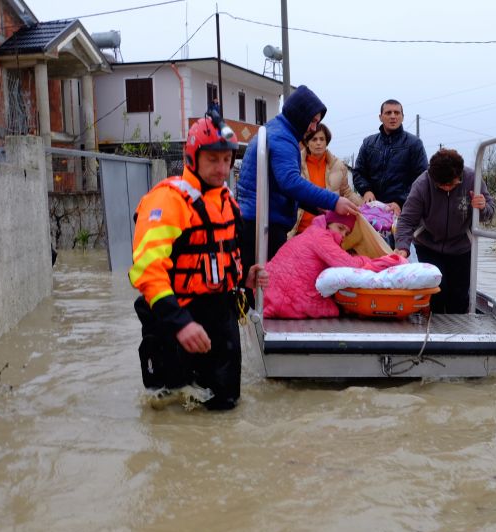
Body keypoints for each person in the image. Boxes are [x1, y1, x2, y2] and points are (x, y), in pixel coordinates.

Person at [129, 112, 267, 412]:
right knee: (168, 409)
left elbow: (225, 256)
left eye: (227, 160)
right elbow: (147, 270)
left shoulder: (227, 201)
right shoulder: (166, 201)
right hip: (174, 315)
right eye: (213, 160)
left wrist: (246, 278)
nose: (222, 169)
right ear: (193, 157)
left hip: (219, 316)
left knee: (226, 406)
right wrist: (181, 324)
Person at [236, 85, 360, 295]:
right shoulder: (283, 139)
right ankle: (256, 325)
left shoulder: (276, 131)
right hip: (264, 226)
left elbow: (279, 185)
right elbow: (290, 182)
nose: (314, 128)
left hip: (257, 220)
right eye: (312, 121)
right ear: (300, 115)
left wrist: (317, 207)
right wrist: (333, 201)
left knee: (258, 287)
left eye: (317, 123)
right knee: (264, 289)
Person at [395, 148, 495, 314]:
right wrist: (403, 247)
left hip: (462, 247)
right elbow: (406, 220)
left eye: (452, 185)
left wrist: (482, 207)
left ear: (460, 176)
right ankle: (435, 333)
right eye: (442, 186)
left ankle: (458, 334)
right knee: (437, 294)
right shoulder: (422, 185)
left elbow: (490, 212)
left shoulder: (472, 180)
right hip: (429, 245)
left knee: (459, 296)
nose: (447, 189)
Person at [263, 212, 404, 319]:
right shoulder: (321, 237)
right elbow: (349, 266)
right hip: (291, 302)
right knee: (342, 309)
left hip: (271, 296)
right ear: (328, 223)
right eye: (340, 228)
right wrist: (376, 260)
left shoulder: (309, 234)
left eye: (347, 232)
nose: (343, 235)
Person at [352, 99, 428, 215]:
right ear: (380, 117)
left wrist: (400, 201)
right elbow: (358, 172)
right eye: (388, 113)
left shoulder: (414, 144)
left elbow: (421, 179)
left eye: (397, 113)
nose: (393, 116)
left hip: (403, 211)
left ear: (402, 117)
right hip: (372, 209)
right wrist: (366, 190)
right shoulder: (368, 143)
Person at [292, 123, 362, 235]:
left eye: (322, 139)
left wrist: (365, 206)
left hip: (326, 229)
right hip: (298, 229)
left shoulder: (338, 166)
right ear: (307, 142)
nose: (318, 143)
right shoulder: (294, 163)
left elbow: (347, 193)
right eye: (314, 139)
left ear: (326, 142)